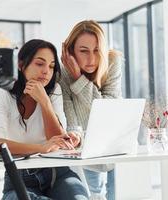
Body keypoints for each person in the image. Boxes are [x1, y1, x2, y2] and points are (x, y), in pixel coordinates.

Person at [0, 39, 89, 200]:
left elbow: (59, 140)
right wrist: (40, 148)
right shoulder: (2, 94)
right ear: (21, 64)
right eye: (40, 64)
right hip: (19, 178)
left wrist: (45, 102)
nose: (46, 71)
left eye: (51, 66)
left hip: (58, 173)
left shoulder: (54, 91)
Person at [59, 20, 123, 200]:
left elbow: (108, 109)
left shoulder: (112, 62)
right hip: (86, 146)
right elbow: (71, 118)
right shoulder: (62, 74)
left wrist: (79, 79)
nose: (92, 59)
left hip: (115, 142)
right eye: (83, 51)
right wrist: (75, 135)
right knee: (94, 195)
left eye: (96, 50)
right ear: (70, 51)